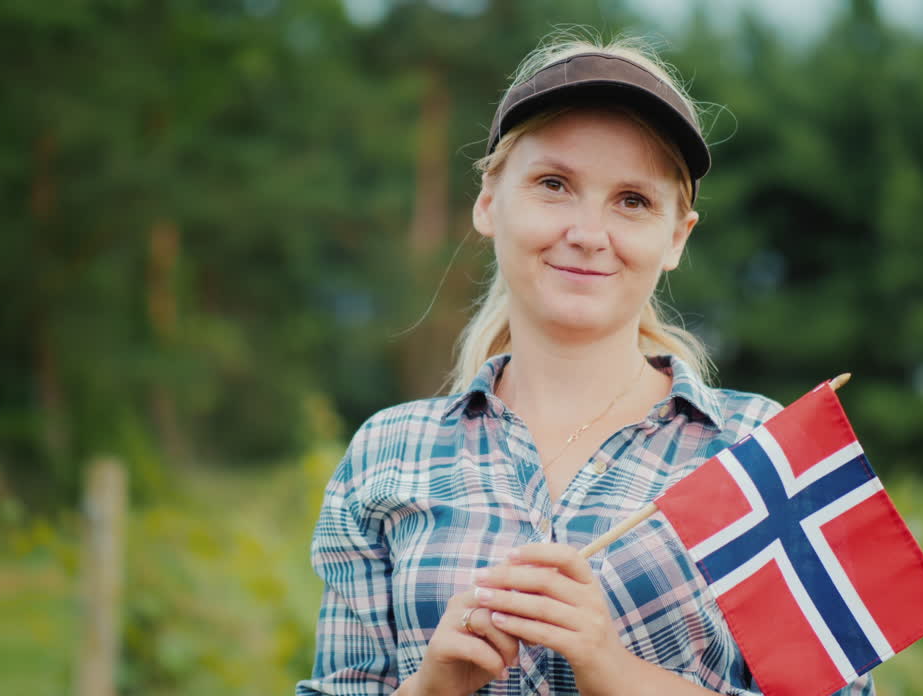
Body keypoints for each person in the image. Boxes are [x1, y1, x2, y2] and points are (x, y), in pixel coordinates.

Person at [297, 35, 875, 696]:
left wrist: (614, 669)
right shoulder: (388, 454)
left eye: (632, 200)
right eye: (554, 184)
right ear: (489, 200)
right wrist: (430, 689)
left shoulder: (758, 452)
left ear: (677, 237)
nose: (588, 233)